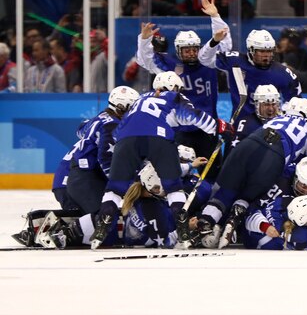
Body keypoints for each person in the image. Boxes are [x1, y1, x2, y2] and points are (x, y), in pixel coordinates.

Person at [90, 71, 231, 250]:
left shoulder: (138, 101)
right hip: (158, 138)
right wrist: (220, 127)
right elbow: (194, 116)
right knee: (174, 188)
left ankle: (102, 227)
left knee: (115, 189)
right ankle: (183, 232)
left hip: (126, 140)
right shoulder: (172, 97)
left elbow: (120, 130)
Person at [197, 98, 307, 247]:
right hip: (274, 155)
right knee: (248, 195)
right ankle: (233, 221)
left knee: (226, 190)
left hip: (248, 144)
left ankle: (205, 222)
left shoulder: (277, 118)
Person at [136, 0, 229, 170]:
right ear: (179, 50)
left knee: (212, 172)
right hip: (181, 131)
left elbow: (224, 43)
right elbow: (145, 60)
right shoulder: (170, 66)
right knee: (179, 171)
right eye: (187, 50)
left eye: (195, 48)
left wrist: (215, 17)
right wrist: (144, 40)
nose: (192, 53)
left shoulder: (209, 61)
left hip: (207, 130)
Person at [37, 163, 194, 250]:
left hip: (101, 227)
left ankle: (63, 232)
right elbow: (163, 242)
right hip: (104, 233)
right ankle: (62, 234)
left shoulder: (139, 194)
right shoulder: (153, 208)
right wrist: (188, 229)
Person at [197, 1, 301, 122]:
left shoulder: (283, 73)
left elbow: (295, 103)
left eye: (268, 51)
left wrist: (282, 114)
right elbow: (204, 59)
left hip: (271, 128)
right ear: (250, 50)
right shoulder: (235, 61)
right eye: (261, 51)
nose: (266, 55)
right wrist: (214, 37)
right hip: (240, 127)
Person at [63, 86, 140, 215]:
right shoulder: (112, 125)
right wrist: (124, 185)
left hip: (85, 175)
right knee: (104, 216)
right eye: (133, 109)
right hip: (87, 177)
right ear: (121, 107)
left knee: (107, 214)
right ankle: (65, 233)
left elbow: (81, 129)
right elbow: (106, 158)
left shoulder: (102, 117)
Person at [228, 84, 281, 152]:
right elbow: (236, 154)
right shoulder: (247, 125)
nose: (271, 109)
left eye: (273, 104)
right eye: (266, 105)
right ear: (257, 105)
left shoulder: (283, 122)